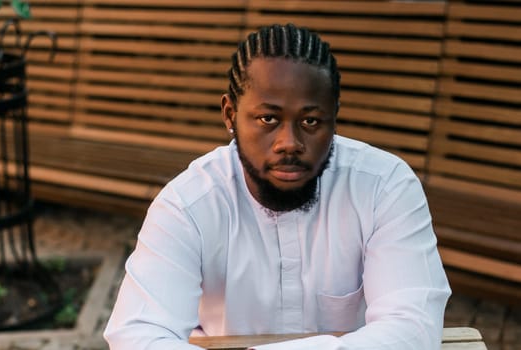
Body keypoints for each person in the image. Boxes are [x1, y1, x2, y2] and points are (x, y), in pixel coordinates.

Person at [104, 23, 451, 349]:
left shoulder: (384, 188)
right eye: (268, 119)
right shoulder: (189, 204)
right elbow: (139, 333)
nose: (290, 143)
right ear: (230, 115)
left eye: (310, 121)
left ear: (334, 116)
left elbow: (413, 327)